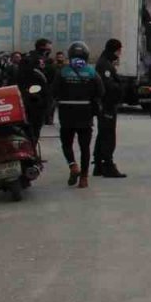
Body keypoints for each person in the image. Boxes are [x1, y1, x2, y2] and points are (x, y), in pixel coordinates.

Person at [52, 41, 104, 189]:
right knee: (85, 147)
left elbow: (53, 92)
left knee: (66, 143)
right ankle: (84, 178)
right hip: (85, 113)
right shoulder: (92, 72)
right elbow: (101, 92)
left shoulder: (62, 71)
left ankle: (73, 165)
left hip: (66, 113)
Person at [92, 38, 126, 178]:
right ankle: (107, 164)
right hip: (107, 105)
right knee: (108, 134)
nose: (120, 53)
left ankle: (99, 164)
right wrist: (121, 86)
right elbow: (108, 87)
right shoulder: (105, 65)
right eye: (119, 50)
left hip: (107, 105)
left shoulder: (105, 62)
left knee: (103, 134)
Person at [17, 38, 54, 148]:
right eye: (49, 47)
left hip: (25, 98)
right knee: (36, 127)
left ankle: (26, 150)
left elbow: (19, 78)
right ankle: (31, 152)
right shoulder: (45, 61)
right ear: (44, 48)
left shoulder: (26, 58)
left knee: (26, 127)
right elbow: (50, 80)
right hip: (39, 100)